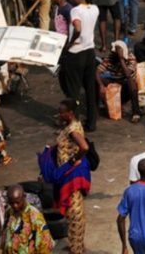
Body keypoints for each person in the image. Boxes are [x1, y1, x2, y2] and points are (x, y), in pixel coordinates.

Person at [55, 99, 89, 254]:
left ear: (70, 113)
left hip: (71, 176)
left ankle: (76, 249)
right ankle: (76, 245)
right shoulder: (70, 126)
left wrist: (75, 159)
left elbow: (84, 146)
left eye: (62, 112)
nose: (59, 114)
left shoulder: (73, 130)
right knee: (73, 211)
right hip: (66, 174)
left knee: (74, 212)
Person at [64, 0, 100, 131]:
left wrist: (70, 43)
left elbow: (77, 28)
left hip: (76, 52)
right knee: (90, 88)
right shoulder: (94, 9)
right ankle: (92, 122)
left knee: (73, 90)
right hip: (89, 51)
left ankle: (75, 123)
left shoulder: (75, 10)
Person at [0, 185, 55, 254]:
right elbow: (5, 235)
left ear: (24, 197)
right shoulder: (9, 212)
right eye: (11, 203)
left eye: (17, 202)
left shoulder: (35, 217)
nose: (15, 206)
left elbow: (45, 245)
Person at [97, 41, 141, 123]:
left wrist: (121, 59)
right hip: (114, 81)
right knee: (97, 80)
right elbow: (97, 72)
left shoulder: (130, 58)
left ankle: (136, 112)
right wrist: (101, 85)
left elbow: (128, 74)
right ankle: (102, 105)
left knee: (131, 83)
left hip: (125, 84)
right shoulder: (110, 58)